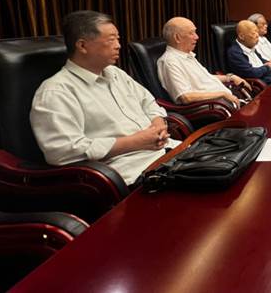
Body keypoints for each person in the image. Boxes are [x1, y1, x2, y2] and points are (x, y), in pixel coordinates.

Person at [30, 11, 179, 186]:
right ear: (82, 46)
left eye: (118, 39)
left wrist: (158, 125)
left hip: (170, 152)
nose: (118, 46)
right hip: (135, 173)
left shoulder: (115, 73)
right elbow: (63, 152)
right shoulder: (56, 91)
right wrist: (135, 142)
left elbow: (148, 102)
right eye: (111, 40)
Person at [157, 17, 247, 107]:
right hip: (214, 107)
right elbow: (185, 97)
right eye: (191, 33)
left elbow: (205, 79)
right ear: (177, 38)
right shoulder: (170, 62)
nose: (197, 37)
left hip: (226, 100)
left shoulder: (186, 55)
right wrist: (222, 94)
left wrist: (230, 78)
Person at [226, 20, 271, 85]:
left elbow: (262, 61)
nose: (257, 35)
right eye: (253, 33)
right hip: (258, 84)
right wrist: (268, 68)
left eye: (257, 32)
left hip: (268, 77)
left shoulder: (249, 46)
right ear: (241, 36)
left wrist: (270, 63)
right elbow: (251, 73)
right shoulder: (235, 53)